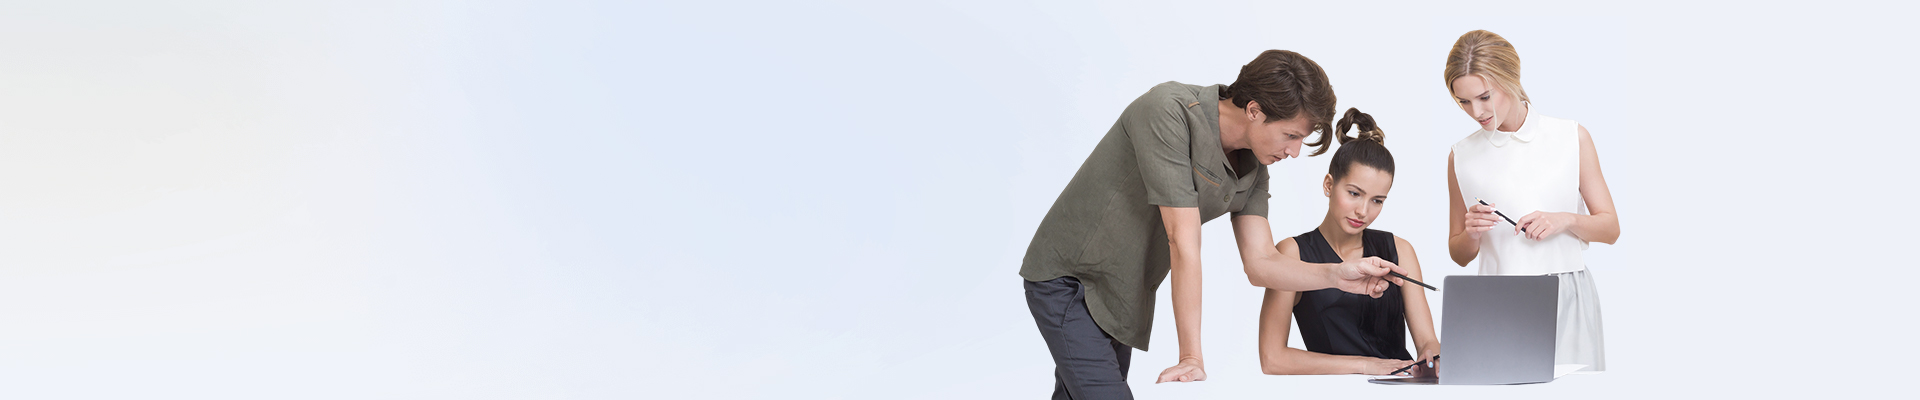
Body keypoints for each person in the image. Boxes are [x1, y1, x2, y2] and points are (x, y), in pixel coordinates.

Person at [1020, 50, 1408, 399]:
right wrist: (1191, 355)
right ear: (1254, 110)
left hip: (1121, 296)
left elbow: (1261, 264)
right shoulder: (1169, 111)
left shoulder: (1255, 164)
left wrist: (1338, 275)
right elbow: (1182, 241)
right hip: (1070, 280)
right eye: (1290, 136)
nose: (1293, 152)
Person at [1443, 30, 1620, 372]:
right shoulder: (1460, 156)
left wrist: (1565, 219)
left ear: (1511, 78)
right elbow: (1459, 253)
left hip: (1566, 295)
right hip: (1495, 300)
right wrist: (1472, 233)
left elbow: (1610, 229)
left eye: (1484, 97)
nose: (1476, 111)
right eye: (1463, 102)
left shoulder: (1571, 137)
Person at [1255, 108, 1439, 377]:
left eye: (1377, 200)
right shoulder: (1292, 253)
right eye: (1354, 193)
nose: (1363, 211)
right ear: (1329, 185)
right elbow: (1273, 359)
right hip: (1338, 391)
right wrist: (1365, 366)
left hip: (1403, 387)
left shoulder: (1400, 250)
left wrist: (1432, 356)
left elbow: (1428, 342)